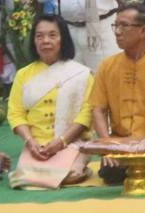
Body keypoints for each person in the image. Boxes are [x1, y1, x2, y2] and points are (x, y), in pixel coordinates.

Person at [87, 4, 145, 183]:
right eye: (115, 26)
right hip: (119, 144)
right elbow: (98, 109)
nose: (117, 32)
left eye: (124, 26)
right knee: (112, 174)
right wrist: (107, 144)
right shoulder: (107, 66)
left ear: (143, 30)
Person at [8, 14, 92, 188]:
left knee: (71, 175)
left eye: (52, 35)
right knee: (23, 180)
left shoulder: (81, 74)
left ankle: (80, 163)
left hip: (71, 143)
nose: (45, 41)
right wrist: (30, 142)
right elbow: (15, 114)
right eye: (39, 36)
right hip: (36, 146)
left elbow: (86, 113)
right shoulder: (23, 75)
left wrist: (61, 142)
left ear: (63, 39)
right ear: (34, 41)